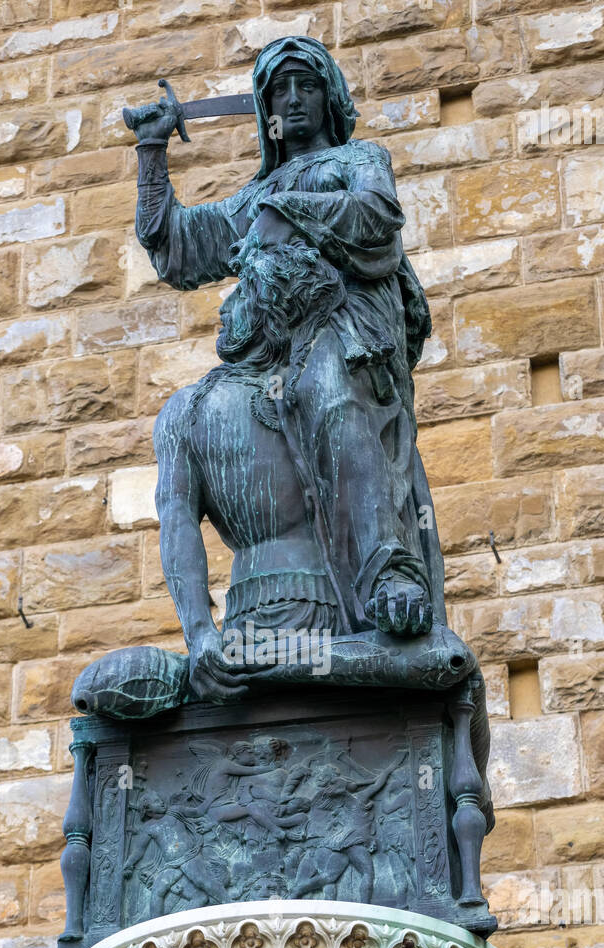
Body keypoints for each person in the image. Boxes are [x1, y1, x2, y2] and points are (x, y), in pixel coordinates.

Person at [125, 36, 448, 705]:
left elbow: (377, 217)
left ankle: (389, 576)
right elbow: (180, 248)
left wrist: (291, 211)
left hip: (350, 326)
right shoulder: (256, 196)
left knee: (331, 394)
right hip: (275, 334)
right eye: (278, 91)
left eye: (304, 86)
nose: (292, 101)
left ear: (328, 96)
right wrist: (152, 154)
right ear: (265, 110)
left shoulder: (359, 158)